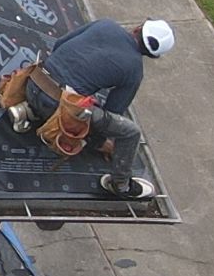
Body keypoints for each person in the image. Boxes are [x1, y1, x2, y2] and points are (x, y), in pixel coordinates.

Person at [22, 15, 174, 199]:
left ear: (138, 28)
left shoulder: (106, 24)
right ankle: (121, 185)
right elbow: (113, 112)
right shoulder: (134, 70)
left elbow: (60, 44)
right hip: (56, 109)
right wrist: (101, 143)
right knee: (131, 132)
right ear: (152, 55)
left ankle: (32, 111)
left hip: (32, 83)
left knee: (77, 98)